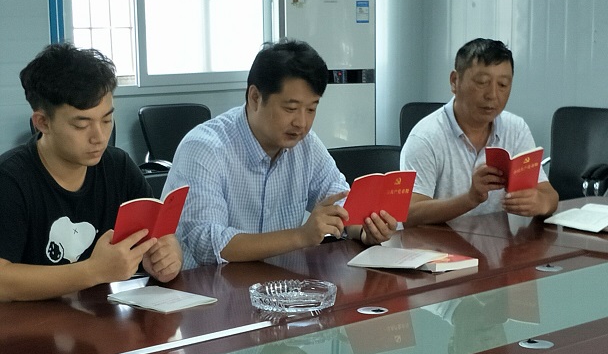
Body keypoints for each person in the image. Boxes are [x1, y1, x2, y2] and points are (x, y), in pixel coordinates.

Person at [163, 38, 397, 267]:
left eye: (311, 109)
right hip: (206, 287)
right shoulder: (205, 149)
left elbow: (341, 200)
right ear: (255, 97)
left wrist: (365, 229)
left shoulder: (306, 145)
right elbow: (207, 244)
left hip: (280, 284)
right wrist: (301, 236)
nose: (302, 123)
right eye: (290, 108)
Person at [0, 43, 183, 302]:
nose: (99, 137)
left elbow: (159, 235)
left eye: (106, 120)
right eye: (81, 125)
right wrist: (92, 271)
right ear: (43, 122)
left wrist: (167, 256)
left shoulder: (118, 167)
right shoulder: (10, 180)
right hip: (31, 324)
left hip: (103, 319)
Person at [400, 38, 558, 225]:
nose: (492, 95)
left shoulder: (516, 129)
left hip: (496, 241)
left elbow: (549, 194)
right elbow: (410, 213)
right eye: (482, 82)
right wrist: (470, 199)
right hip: (438, 242)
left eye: (503, 85)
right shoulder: (426, 137)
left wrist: (540, 203)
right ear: (455, 81)